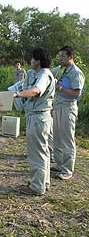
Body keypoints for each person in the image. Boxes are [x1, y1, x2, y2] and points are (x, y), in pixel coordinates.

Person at [13, 47, 55, 196]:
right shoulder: (37, 74)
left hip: (38, 117)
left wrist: (18, 95)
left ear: (38, 61)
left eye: (32, 59)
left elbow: (36, 90)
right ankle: (43, 182)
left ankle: (37, 186)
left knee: (37, 153)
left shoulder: (44, 74)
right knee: (43, 152)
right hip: (37, 116)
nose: (30, 61)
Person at [51, 46, 85, 180]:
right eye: (60, 56)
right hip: (58, 107)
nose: (60, 59)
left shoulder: (76, 73)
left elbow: (77, 94)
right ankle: (59, 164)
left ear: (70, 57)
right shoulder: (63, 71)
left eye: (63, 57)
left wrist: (59, 88)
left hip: (68, 109)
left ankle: (67, 169)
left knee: (67, 140)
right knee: (57, 138)